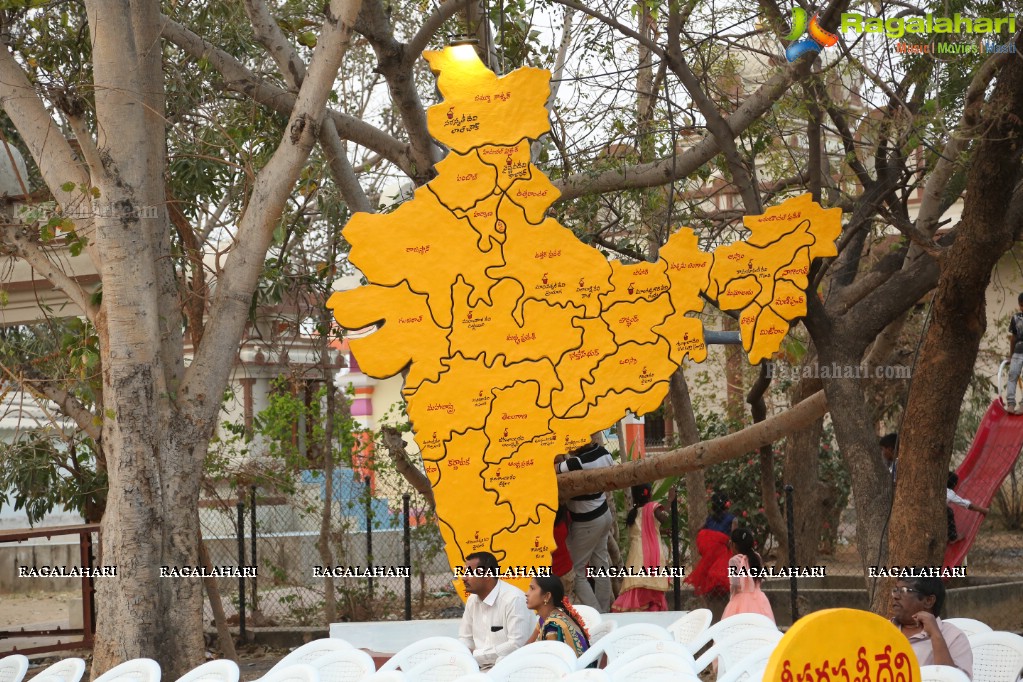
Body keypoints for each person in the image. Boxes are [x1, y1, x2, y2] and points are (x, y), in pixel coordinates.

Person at [555, 435, 615, 611]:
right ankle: (606, 611)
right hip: (604, 514)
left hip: (587, 522)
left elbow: (555, 468)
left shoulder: (577, 463)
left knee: (577, 571)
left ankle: (597, 614)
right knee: (601, 565)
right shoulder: (604, 453)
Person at [458, 551, 534, 669]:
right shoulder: (472, 601)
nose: (464, 578)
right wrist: (465, 658)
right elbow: (465, 638)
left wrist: (477, 655)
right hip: (478, 669)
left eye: (469, 573)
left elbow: (516, 645)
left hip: (513, 669)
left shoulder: (513, 599)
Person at [891, 576, 972, 678]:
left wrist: (935, 635)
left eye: (904, 590)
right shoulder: (883, 629)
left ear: (929, 601)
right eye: (895, 590)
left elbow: (955, 679)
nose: (895, 596)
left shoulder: (953, 637)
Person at [611, 483, 673, 612]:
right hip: (650, 553)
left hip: (635, 556)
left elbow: (641, 531)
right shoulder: (652, 507)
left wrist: (660, 532)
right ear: (649, 494)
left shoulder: (633, 513)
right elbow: (664, 518)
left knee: (636, 587)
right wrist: (670, 501)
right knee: (651, 588)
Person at [684, 491, 734, 618]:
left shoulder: (709, 519)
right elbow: (733, 538)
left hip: (709, 555)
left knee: (706, 585)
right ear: (727, 505)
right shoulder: (732, 519)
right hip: (722, 555)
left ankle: (709, 613)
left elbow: (700, 531)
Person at [525, 575, 590, 657]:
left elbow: (550, 660)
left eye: (532, 588)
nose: (526, 593)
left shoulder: (553, 626)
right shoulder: (544, 618)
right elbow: (528, 645)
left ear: (547, 596)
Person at [722, 526, 775, 622]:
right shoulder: (757, 557)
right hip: (758, 598)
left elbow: (734, 583)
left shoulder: (734, 561)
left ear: (734, 545)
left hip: (739, 598)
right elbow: (759, 578)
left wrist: (733, 597)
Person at [946, 471, 989, 543]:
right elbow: (968, 505)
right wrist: (983, 510)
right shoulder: (949, 493)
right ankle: (953, 537)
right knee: (948, 511)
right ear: (953, 485)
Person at [551, 505, 575, 598]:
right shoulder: (564, 519)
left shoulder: (545, 530)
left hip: (554, 574)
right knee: (568, 605)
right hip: (567, 570)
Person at [1007, 292, 1023, 414]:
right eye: (1022, 305)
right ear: (1019, 305)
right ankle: (1011, 404)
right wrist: (1010, 355)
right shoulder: (1016, 318)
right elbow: (1013, 337)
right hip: (1017, 352)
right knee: (1013, 375)